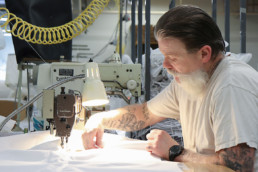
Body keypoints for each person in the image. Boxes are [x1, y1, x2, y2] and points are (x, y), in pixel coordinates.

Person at [82, 5, 258, 172]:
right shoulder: (189, 81)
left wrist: (176, 152)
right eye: (164, 56)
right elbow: (145, 113)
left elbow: (240, 166)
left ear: (204, 53)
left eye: (172, 57)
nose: (165, 65)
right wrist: (99, 120)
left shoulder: (231, 85)